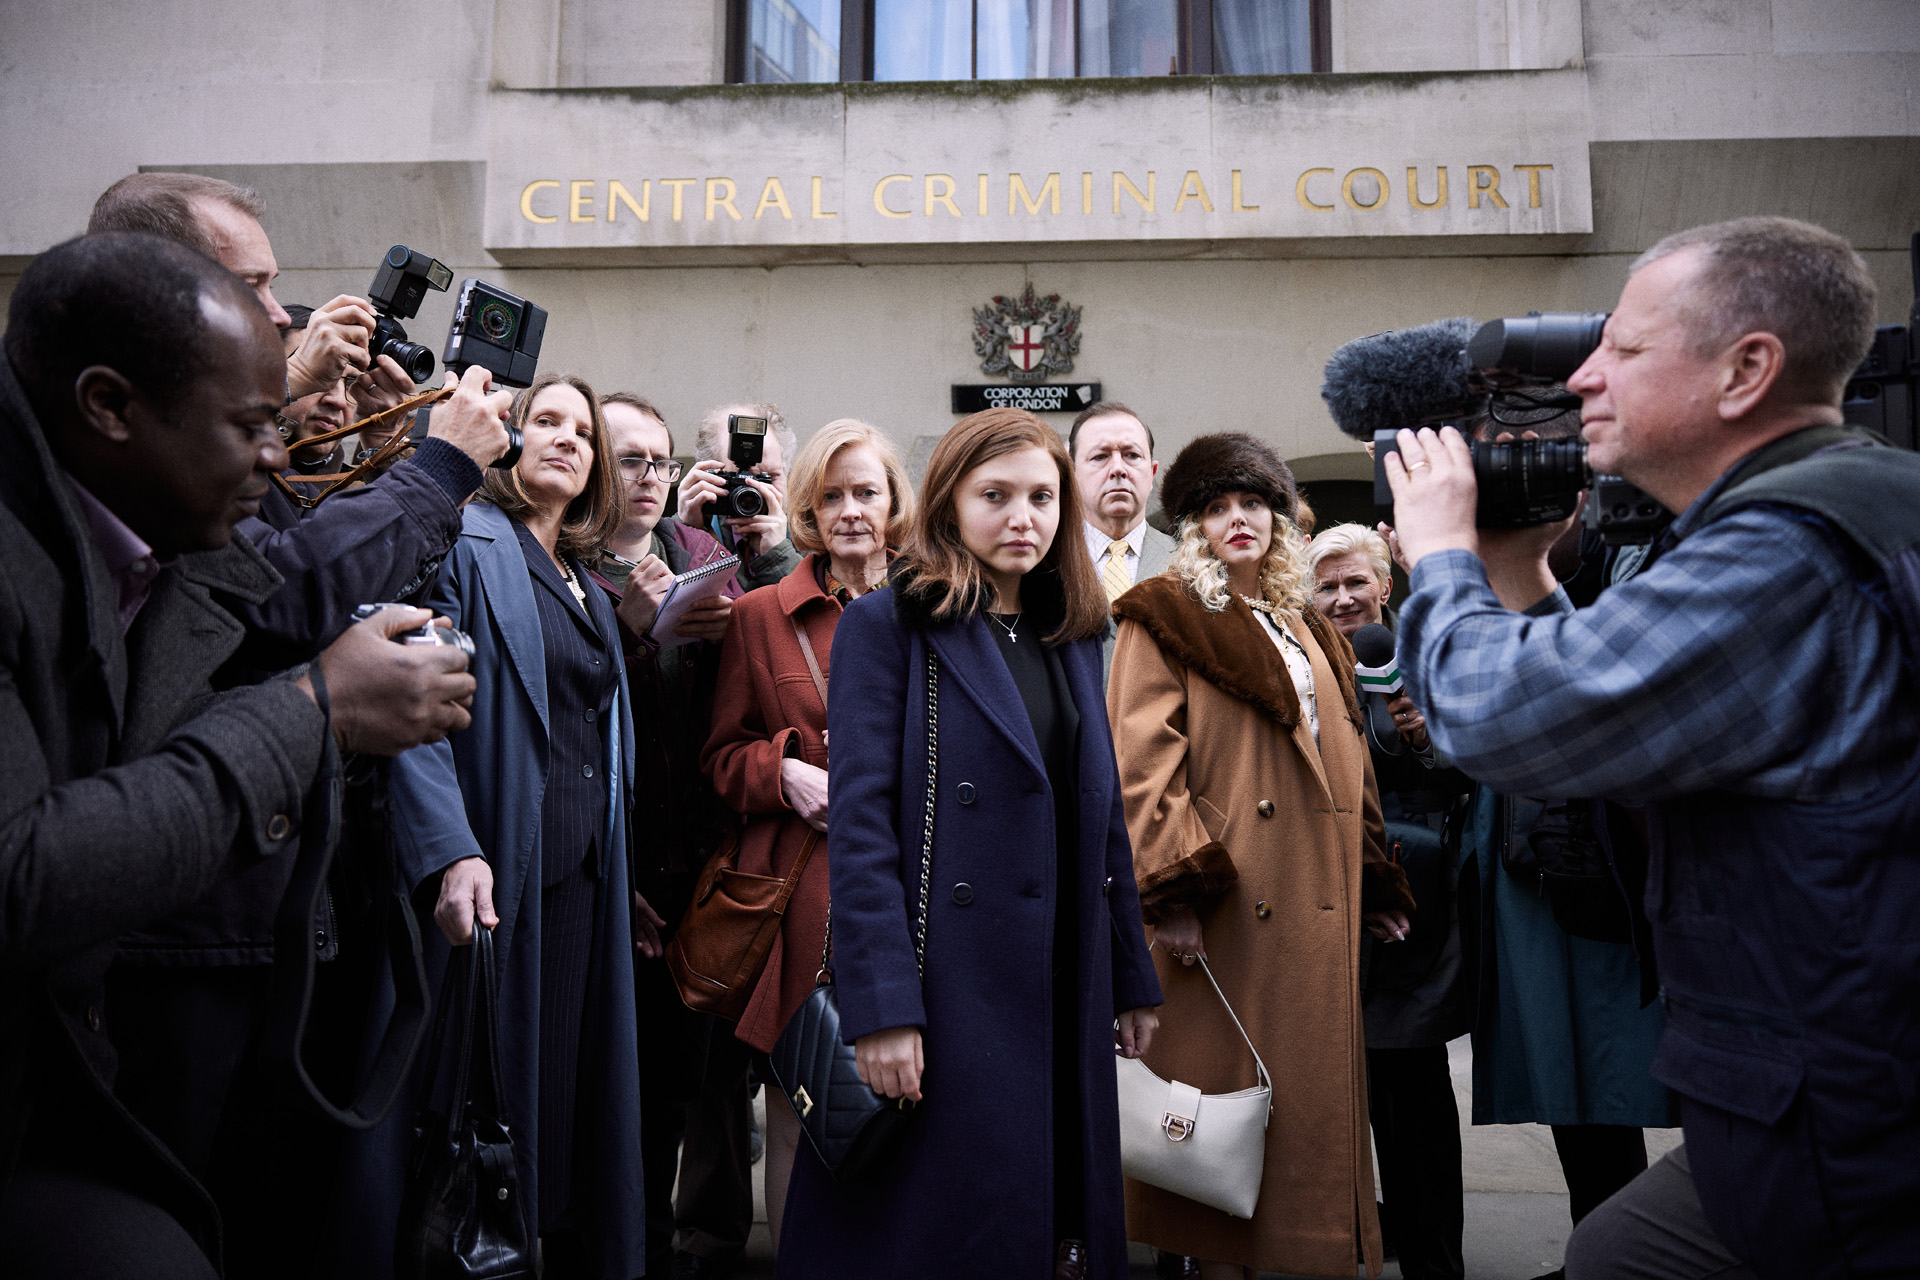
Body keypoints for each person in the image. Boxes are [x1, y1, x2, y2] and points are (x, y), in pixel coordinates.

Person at [1384, 216, 1920, 1280]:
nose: (1584, 376)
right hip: (1836, 1082)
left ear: (1746, 369)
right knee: (1619, 1247)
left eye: (1623, 348)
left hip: (1850, 1117)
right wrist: (1521, 571)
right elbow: (1616, 700)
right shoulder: (1851, 503)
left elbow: (1498, 717)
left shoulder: (1786, 552)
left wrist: (1441, 554)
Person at [0, 231, 475, 1279]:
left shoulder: (138, 526)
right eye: (254, 424)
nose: (280, 454)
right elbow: (23, 874)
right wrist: (318, 706)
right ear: (110, 404)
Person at [778, 407, 1162, 1280]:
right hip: (946, 984)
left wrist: (1131, 975)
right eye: (996, 495)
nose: (1022, 517)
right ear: (951, 503)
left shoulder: (1075, 629)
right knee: (940, 1234)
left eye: (1040, 496)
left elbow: (1102, 821)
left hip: (1061, 975)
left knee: (1047, 1225)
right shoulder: (890, 624)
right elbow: (864, 824)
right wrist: (882, 1005)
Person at [357, 373, 645, 1279]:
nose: (567, 439)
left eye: (583, 432)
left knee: (555, 1114)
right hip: (495, 874)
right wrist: (450, 847)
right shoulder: (469, 539)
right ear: (507, 441)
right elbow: (410, 692)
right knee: (478, 1114)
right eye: (544, 422)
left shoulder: (588, 583)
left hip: (582, 890)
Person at [1108, 434, 1412, 1280]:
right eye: (1214, 508)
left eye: (1253, 504)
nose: (1236, 520)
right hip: (1228, 909)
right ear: (1193, 527)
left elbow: (1349, 754)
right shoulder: (1162, 613)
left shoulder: (1306, 621)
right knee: (1227, 1133)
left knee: (1305, 1128)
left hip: (1320, 896)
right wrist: (1172, 889)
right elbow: (1139, 765)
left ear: (1281, 518)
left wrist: (1376, 872)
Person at [699, 418, 914, 1253]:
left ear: (895, 505)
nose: (852, 510)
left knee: (911, 1092)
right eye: (832, 495)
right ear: (807, 511)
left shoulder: (937, 605)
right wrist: (782, 773)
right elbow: (720, 758)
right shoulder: (761, 616)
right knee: (804, 1097)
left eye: (868, 492)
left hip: (919, 886)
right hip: (808, 894)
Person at [591, 391, 755, 1280]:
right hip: (607, 865)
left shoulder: (705, 555)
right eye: (629, 460)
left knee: (687, 1089)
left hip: (705, 866)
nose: (649, 479)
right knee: (613, 1105)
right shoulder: (557, 559)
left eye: (658, 461)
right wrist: (632, 635)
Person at [1310, 523, 1471, 1280]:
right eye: (1327, 585)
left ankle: (1433, 1256)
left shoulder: (1423, 659)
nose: (1343, 599)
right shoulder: (1298, 663)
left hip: (1415, 906)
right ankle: (1365, 1238)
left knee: (1413, 1089)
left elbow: (1472, 772)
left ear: (1385, 587)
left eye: (1355, 583)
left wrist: (1427, 736)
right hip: (1324, 900)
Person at [1069, 401, 1176, 675]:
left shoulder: (1190, 564)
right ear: (1072, 475)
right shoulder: (1046, 565)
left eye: (1131, 455)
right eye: (1100, 457)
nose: (1118, 469)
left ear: (1152, 474)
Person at [675, 402, 803, 590]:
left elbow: (816, 613)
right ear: (708, 476)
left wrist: (778, 554)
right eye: (739, 479)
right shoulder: (672, 537)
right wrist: (690, 532)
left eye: (768, 478)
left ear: (787, 471)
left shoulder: (816, 539)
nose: (754, 492)